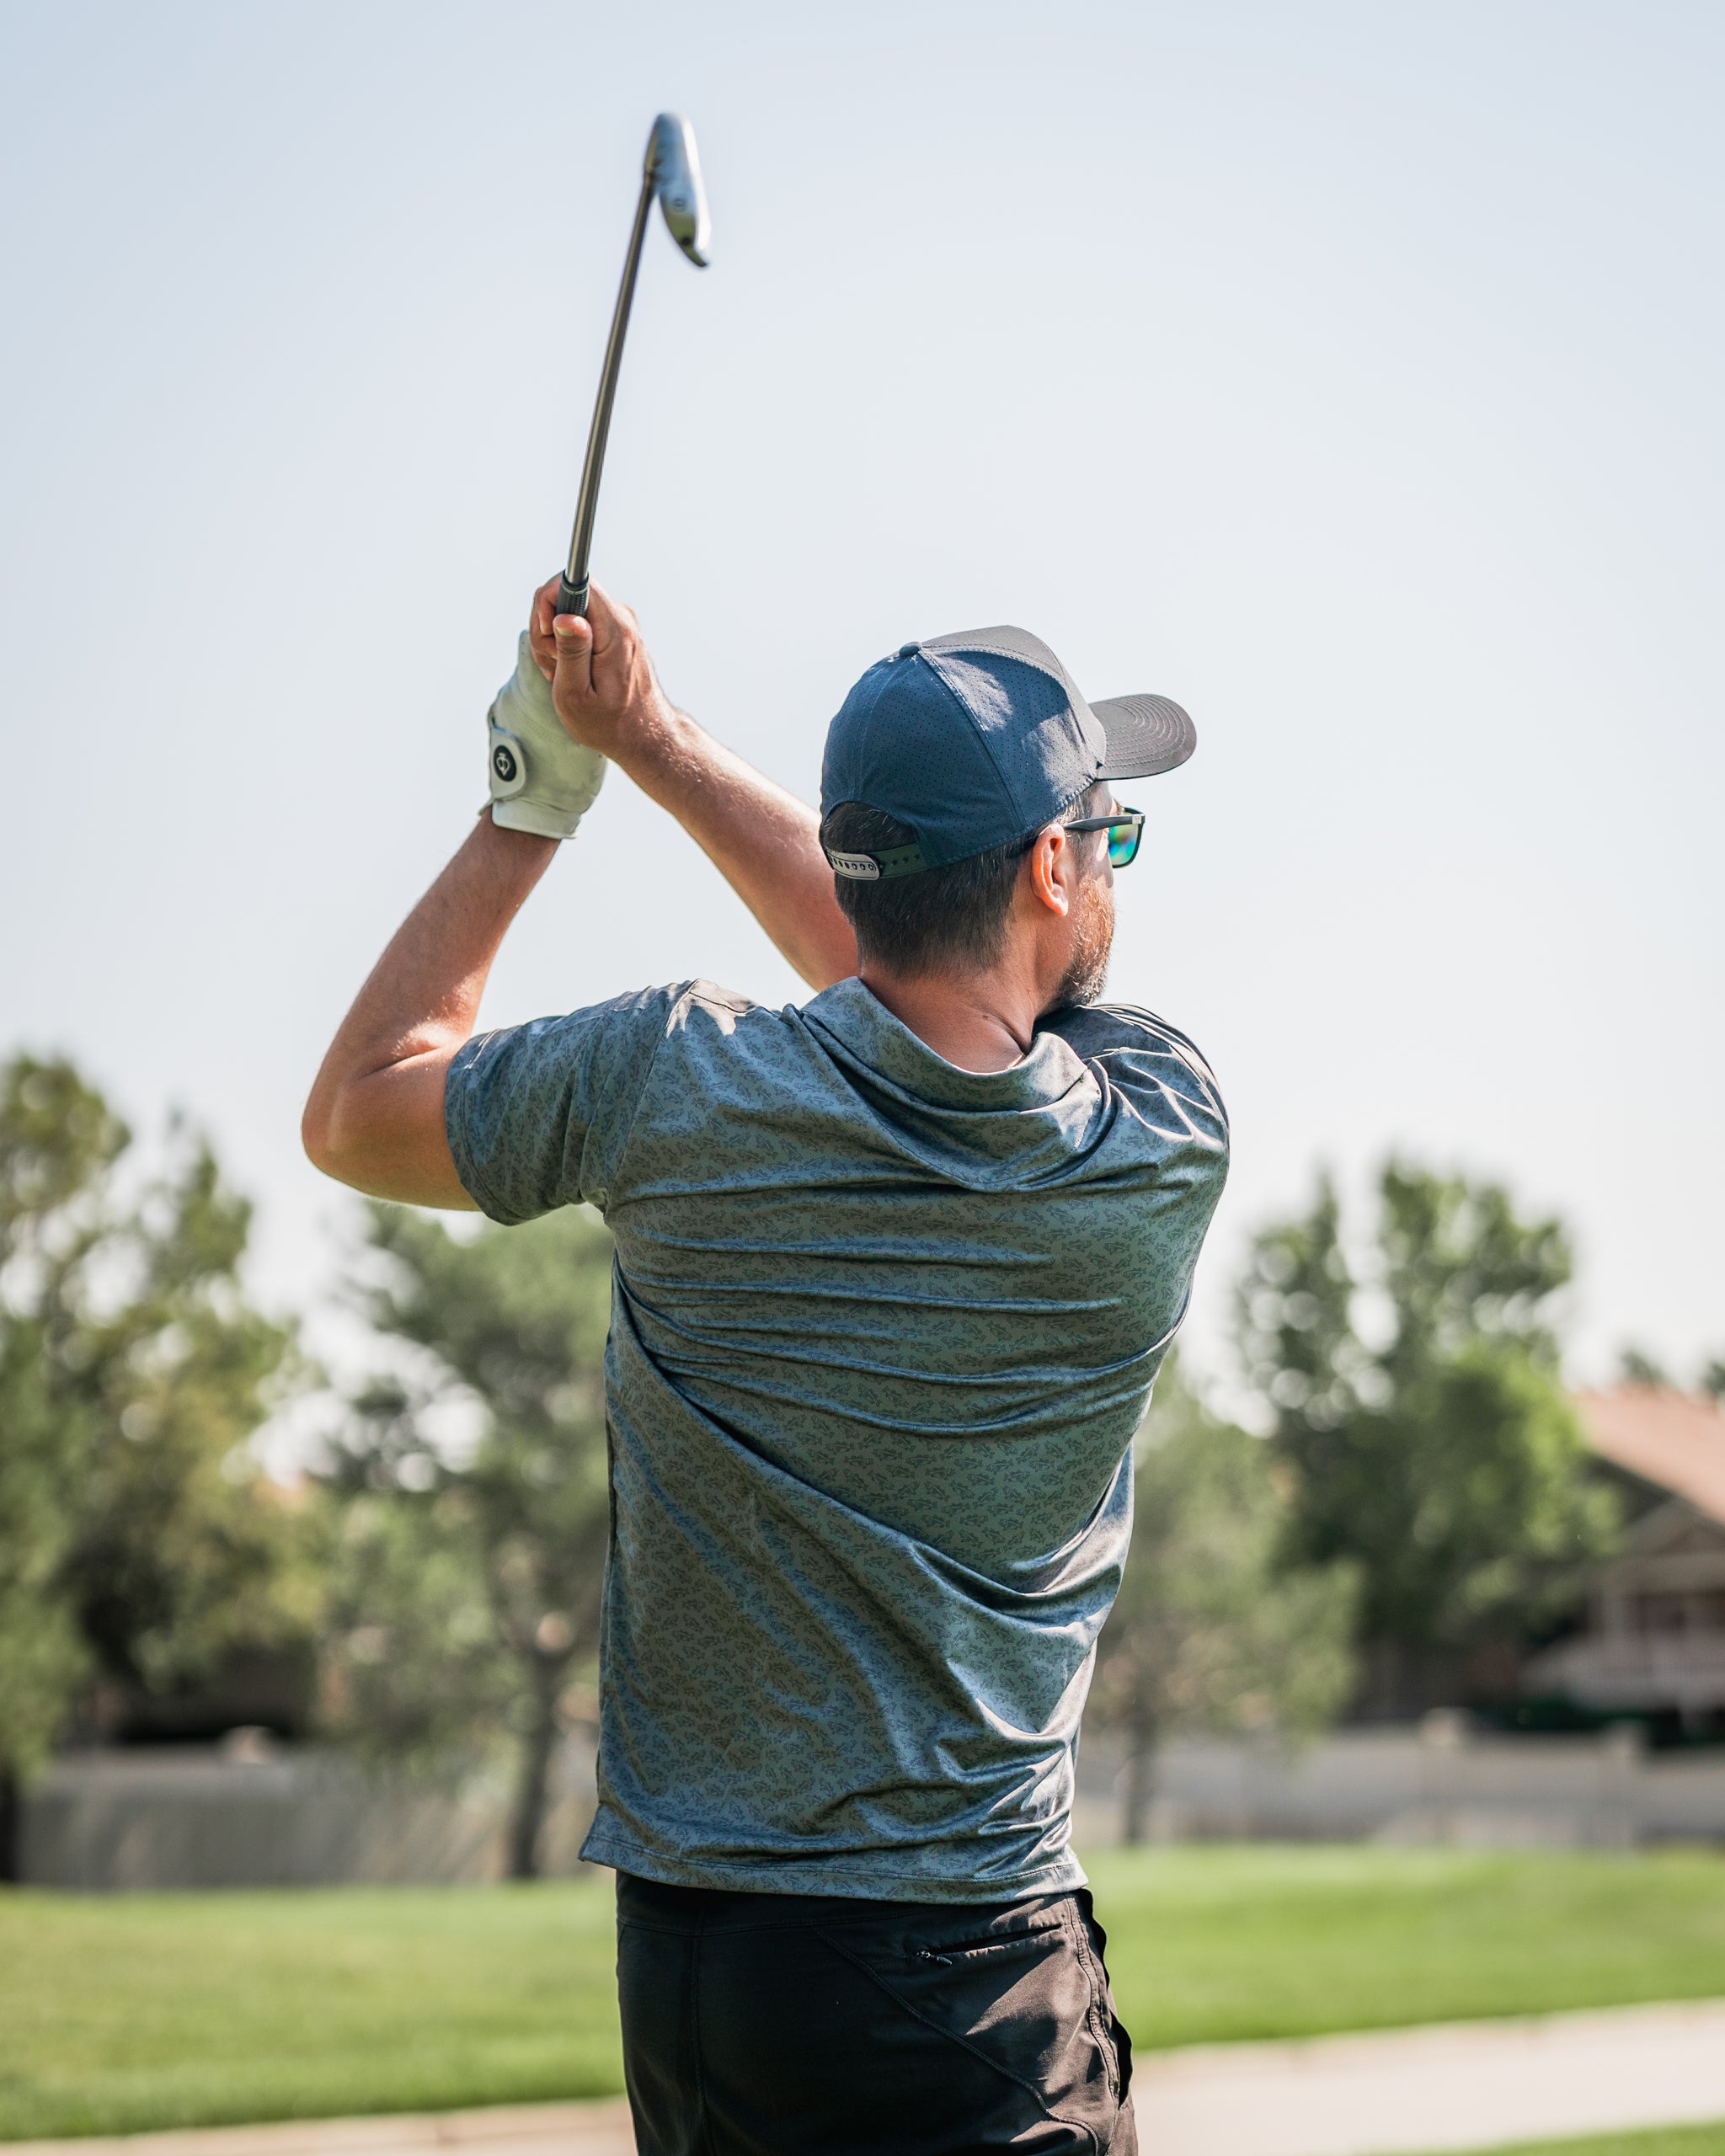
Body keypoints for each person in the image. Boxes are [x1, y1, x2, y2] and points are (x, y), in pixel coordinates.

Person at [304, 578, 1229, 2155]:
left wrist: (552, 786)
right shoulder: (1156, 1137)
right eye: (1109, 837)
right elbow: (910, 990)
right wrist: (648, 740)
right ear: (1054, 864)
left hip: (698, 1984)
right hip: (969, 1979)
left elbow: (358, 1110)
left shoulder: (671, 1085)